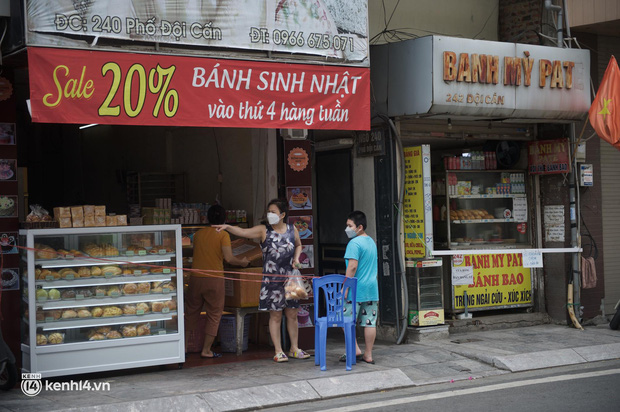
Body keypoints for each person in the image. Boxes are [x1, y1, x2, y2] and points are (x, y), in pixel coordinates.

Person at [214, 198, 310, 362]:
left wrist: (296, 259)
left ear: (283, 215)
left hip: (291, 278)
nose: (270, 214)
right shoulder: (263, 230)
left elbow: (299, 244)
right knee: (275, 315)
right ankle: (278, 350)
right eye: (269, 211)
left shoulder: (291, 229)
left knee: (292, 314)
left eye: (273, 212)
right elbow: (244, 233)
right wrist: (228, 227)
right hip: (272, 280)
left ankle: (294, 348)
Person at [185, 205, 249, 358]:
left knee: (191, 313)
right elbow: (229, 258)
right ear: (224, 219)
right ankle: (206, 350)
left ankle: (184, 347)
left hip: (195, 278)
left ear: (207, 218)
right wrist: (242, 262)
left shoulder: (198, 234)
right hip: (214, 279)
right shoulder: (223, 235)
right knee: (214, 314)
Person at [342, 210, 378, 364]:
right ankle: (368, 354)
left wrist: (345, 287)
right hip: (371, 289)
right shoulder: (371, 241)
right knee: (370, 322)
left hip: (356, 289)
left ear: (360, 227)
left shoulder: (354, 243)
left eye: (350, 226)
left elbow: (352, 267)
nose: (347, 229)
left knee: (345, 319)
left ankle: (355, 349)